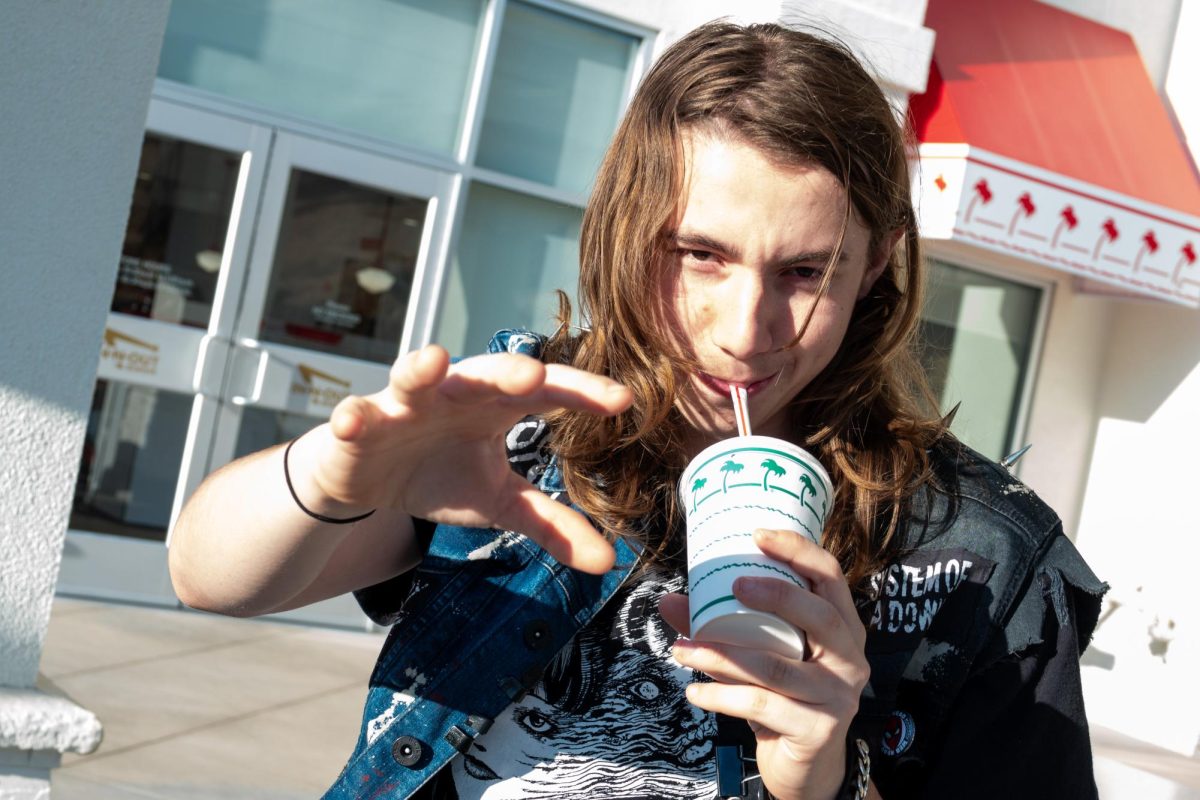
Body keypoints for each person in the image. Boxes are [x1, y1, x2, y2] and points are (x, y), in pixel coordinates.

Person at [169, 20, 1106, 800]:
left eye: (804, 272)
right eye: (700, 253)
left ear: (877, 263)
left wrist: (818, 777)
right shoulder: (524, 422)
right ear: (627, 232)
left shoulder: (986, 561)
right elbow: (211, 580)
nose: (746, 330)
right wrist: (338, 477)